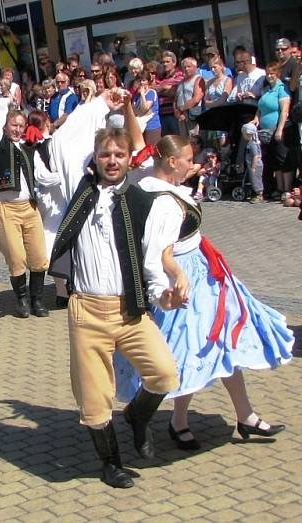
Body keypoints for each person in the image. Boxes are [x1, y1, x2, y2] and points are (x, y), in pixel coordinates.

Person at [116, 132, 293, 451]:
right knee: (191, 349)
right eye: (186, 159)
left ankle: (244, 415)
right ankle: (177, 421)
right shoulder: (165, 203)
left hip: (203, 271)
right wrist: (175, 279)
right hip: (189, 276)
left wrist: (132, 108)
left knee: (223, 342)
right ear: (171, 161)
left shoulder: (146, 182)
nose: (192, 163)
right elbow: (157, 252)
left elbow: (143, 144)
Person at [49, 122, 183, 489]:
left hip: (130, 310)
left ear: (129, 160)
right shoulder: (78, 193)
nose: (111, 160)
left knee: (165, 373)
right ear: (94, 156)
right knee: (94, 399)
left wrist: (162, 295)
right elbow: (61, 141)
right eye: (105, 154)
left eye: (119, 154)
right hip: (86, 310)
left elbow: (152, 259)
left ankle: (137, 418)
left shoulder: (141, 201)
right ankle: (111, 464)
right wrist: (102, 103)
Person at [0, 110, 50, 318]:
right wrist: (8, 95)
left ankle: (36, 300)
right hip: (6, 207)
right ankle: (21, 300)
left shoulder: (29, 148)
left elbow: (43, 175)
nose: (17, 129)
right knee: (16, 256)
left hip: (29, 207)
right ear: (5, 126)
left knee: (39, 256)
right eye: (13, 124)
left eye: (21, 125)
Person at [255, 62, 294, 200]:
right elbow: (260, 108)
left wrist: (279, 129)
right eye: (267, 73)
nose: (269, 76)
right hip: (265, 131)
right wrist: (256, 119)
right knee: (273, 161)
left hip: (278, 129)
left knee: (283, 160)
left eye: (272, 73)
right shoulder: (266, 89)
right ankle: (279, 188)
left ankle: (286, 189)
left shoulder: (281, 88)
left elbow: (284, 111)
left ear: (278, 73)